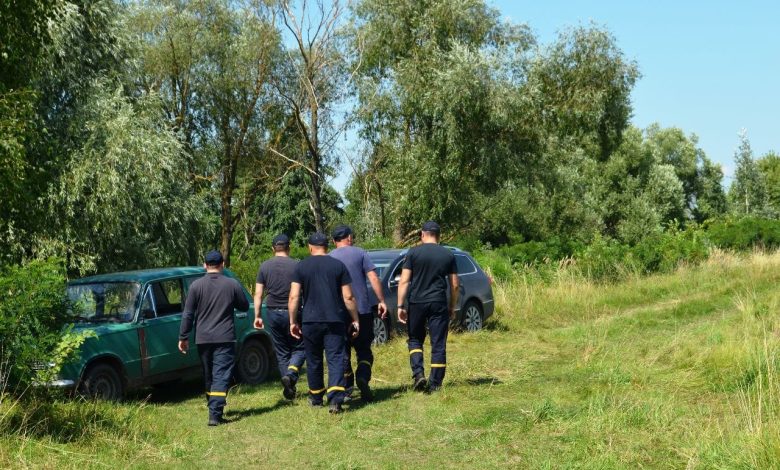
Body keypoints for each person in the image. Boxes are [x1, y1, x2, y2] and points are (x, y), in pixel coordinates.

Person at [288, 232, 360, 414]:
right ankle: (335, 400)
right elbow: (349, 296)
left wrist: (292, 321)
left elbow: (294, 296)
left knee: (314, 359)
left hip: (310, 320)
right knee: (335, 358)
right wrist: (355, 319)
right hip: (334, 319)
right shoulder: (338, 266)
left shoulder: (301, 266)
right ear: (327, 247)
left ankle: (316, 397)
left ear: (310, 247)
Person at [178, 250, 250, 426]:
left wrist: (183, 336)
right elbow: (244, 306)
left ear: (205, 265)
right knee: (221, 374)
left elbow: (188, 314)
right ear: (222, 265)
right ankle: (215, 414)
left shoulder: (195, 286)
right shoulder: (231, 284)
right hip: (224, 337)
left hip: (202, 338)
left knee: (209, 374)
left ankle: (213, 407)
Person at [396, 221, 459, 392]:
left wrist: (400, 306)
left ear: (423, 235)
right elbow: (454, 285)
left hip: (416, 302)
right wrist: (452, 306)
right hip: (438, 302)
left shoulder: (413, 253)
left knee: (415, 339)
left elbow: (404, 281)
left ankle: (418, 374)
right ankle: (435, 384)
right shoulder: (448, 254)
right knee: (438, 343)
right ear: (439, 236)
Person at [329, 225, 387, 401]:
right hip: (362, 310)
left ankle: (347, 389)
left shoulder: (329, 257)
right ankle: (363, 376)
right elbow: (373, 277)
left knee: (343, 350)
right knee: (364, 350)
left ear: (333, 241)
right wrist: (381, 301)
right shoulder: (361, 253)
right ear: (349, 238)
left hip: (339, 313)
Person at [254, 233, 304, 400]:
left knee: (281, 351)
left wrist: (257, 315)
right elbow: (299, 293)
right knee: (300, 348)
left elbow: (258, 294)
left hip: (272, 312)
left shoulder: (264, 266)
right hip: (293, 312)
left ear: (272, 248)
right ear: (289, 247)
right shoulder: (297, 265)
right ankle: (290, 375)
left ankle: (289, 389)